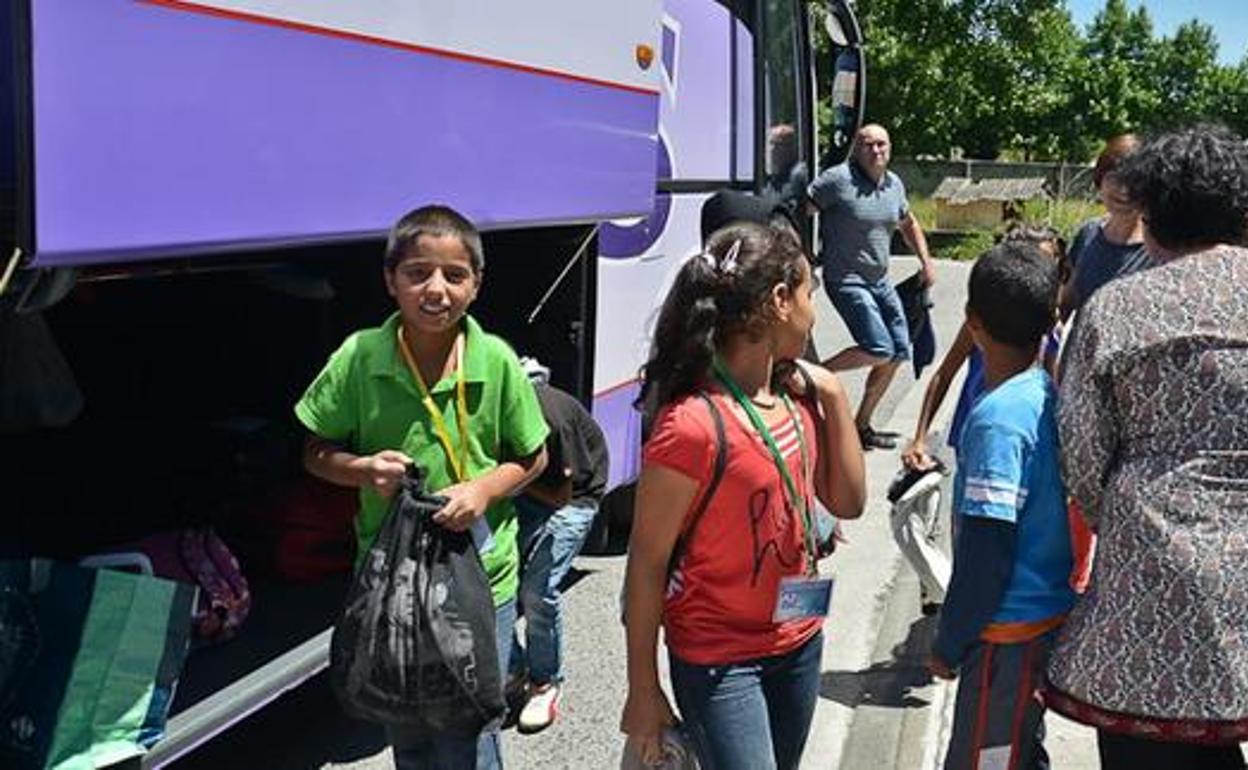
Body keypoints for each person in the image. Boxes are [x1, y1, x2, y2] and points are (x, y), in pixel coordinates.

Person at [294, 205, 550, 770]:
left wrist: (484, 490)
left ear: (476, 285)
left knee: (468, 732)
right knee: (407, 727)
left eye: (454, 276)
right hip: (392, 582)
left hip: (484, 581)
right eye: (417, 273)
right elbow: (313, 453)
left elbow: (534, 458)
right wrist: (361, 470)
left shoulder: (497, 361)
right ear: (391, 280)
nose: (436, 289)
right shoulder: (359, 357)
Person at [621, 222, 866, 770]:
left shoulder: (796, 401)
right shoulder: (691, 427)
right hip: (720, 660)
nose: (815, 309)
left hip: (799, 641)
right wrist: (643, 689)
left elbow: (848, 501)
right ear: (779, 301)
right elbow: (646, 563)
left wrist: (830, 391)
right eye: (809, 292)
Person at [1045, 125, 1248, 769]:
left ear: (1153, 216)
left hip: (1145, 571)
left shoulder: (1116, 310)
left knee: (1143, 749)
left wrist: (1120, 513)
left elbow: (1079, 451)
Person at [928, 242, 1076, 770]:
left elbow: (989, 548)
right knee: (1014, 750)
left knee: (984, 760)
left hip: (1003, 634)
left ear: (974, 324)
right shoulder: (1043, 392)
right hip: (1037, 620)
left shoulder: (996, 421)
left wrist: (950, 639)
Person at [806, 123, 936, 450]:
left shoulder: (894, 185)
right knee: (879, 348)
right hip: (846, 280)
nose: (876, 151)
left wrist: (926, 261)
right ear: (856, 149)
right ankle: (810, 375)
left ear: (890, 148)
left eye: (882, 145)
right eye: (868, 145)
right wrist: (803, 257)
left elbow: (909, 223)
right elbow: (801, 211)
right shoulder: (837, 180)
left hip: (880, 281)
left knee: (898, 351)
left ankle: (861, 424)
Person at [507, 358, 609, 734]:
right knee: (490, 579)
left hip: (572, 498)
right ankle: (512, 668)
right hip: (525, 490)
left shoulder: (547, 415)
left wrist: (509, 479)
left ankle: (545, 682)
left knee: (537, 590)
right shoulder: (503, 409)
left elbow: (560, 495)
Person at [1061, 134, 1154, 319]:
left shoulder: (1159, 245)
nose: (1124, 191)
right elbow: (1067, 302)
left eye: (1135, 182)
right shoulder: (1087, 234)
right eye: (1115, 179)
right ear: (1099, 180)